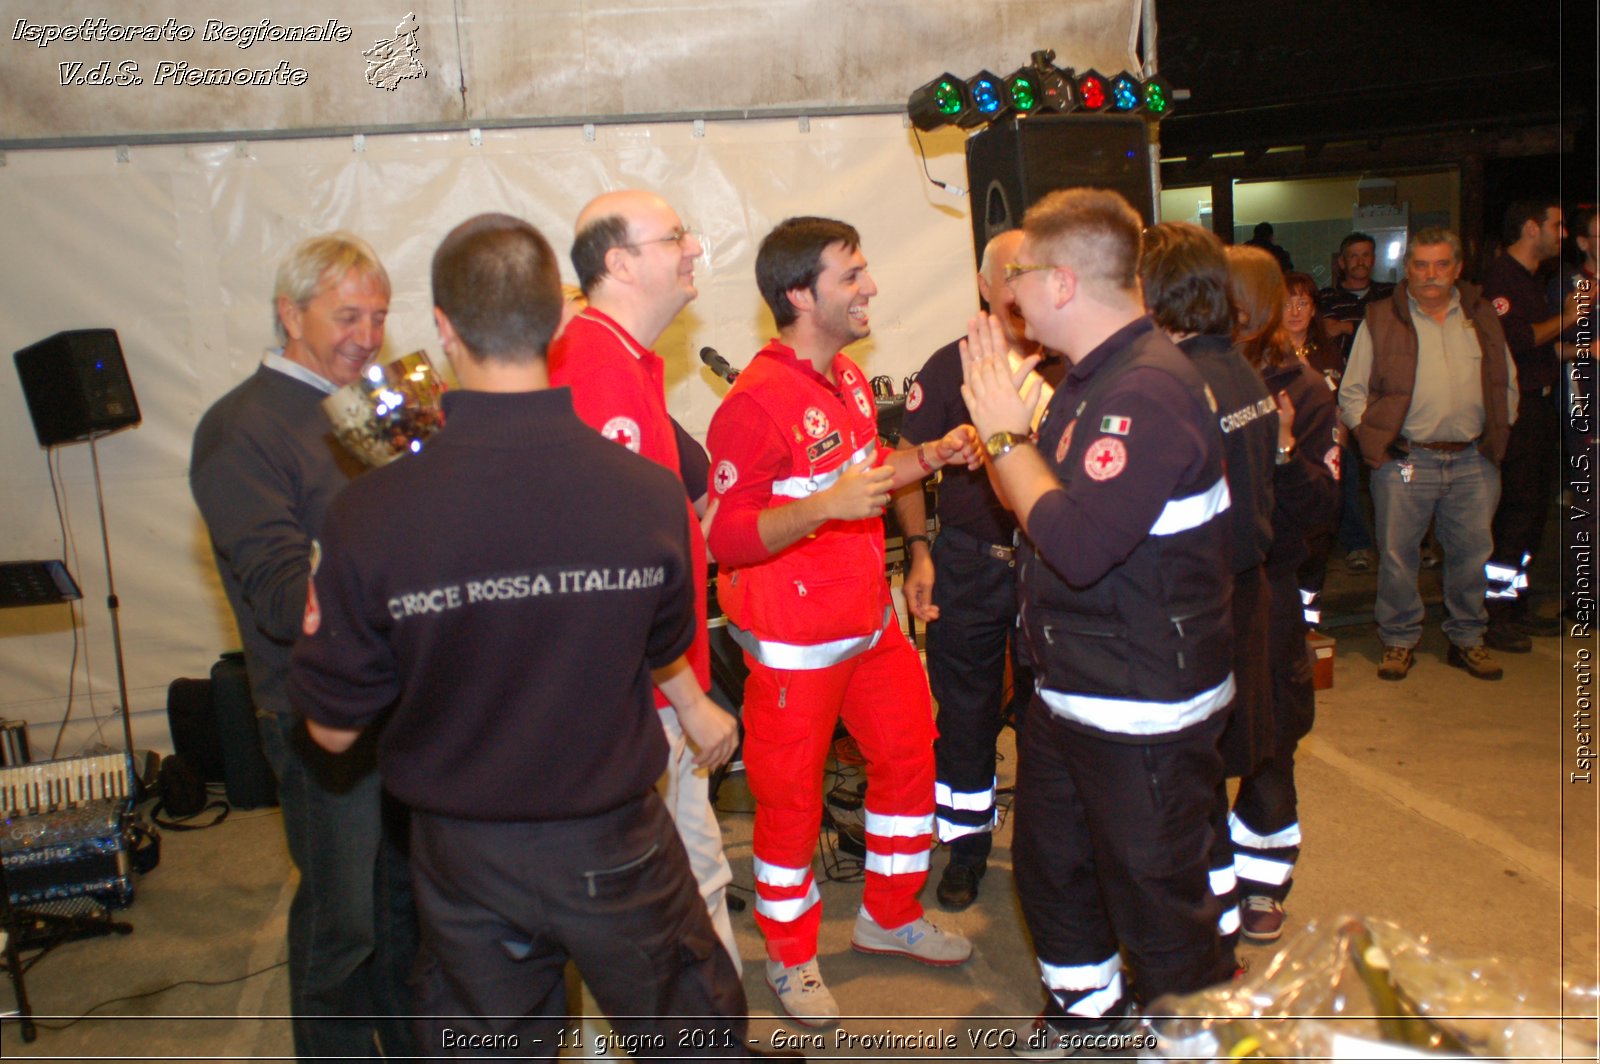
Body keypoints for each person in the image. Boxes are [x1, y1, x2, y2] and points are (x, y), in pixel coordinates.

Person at [289, 213, 756, 1056]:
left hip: (462, 858)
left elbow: (331, 728)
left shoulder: (367, 512)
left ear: (440, 329)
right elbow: (665, 643)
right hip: (613, 839)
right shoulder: (647, 494)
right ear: (559, 319)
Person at [959, 189, 1237, 1055]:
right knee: (1054, 873)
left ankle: (1186, 1040)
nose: (1009, 297)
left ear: (1065, 281)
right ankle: (1089, 1014)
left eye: (1020, 277)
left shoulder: (1145, 390)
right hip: (1074, 689)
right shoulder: (1089, 379)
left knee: (1157, 898)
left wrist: (1007, 440)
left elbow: (1076, 545)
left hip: (1140, 702)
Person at [704, 216, 979, 1027]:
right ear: (800, 294)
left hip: (869, 627)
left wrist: (928, 458)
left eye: (866, 271)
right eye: (851, 275)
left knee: (907, 756)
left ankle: (889, 917)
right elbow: (724, 536)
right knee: (789, 801)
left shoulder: (850, 380)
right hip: (793, 647)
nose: (871, 287)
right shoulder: (756, 401)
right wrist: (825, 507)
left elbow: (871, 477)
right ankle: (792, 960)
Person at [189, 232, 417, 1062]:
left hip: (399, 703)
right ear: (290, 314)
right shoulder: (240, 428)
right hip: (318, 716)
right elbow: (286, 597)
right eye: (346, 314)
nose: (367, 334)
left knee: (402, 910)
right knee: (341, 924)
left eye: (379, 316)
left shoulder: (366, 404)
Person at [548, 189, 740, 972]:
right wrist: (685, 697)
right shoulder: (594, 366)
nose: (693, 248)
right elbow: (610, 572)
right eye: (675, 238)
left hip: (650, 691)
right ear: (619, 264)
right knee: (656, 900)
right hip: (638, 701)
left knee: (693, 884)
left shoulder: (623, 361)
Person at [892, 229, 1066, 913]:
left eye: (1037, 271)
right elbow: (905, 465)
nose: (1025, 285)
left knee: (1048, 714)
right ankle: (965, 845)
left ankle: (1049, 850)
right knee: (962, 713)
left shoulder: (1070, 363)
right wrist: (919, 550)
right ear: (986, 286)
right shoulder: (949, 366)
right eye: (1013, 273)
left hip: (1052, 564)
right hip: (968, 563)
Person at [1138, 222, 1276, 956]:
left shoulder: (1180, 383)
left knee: (1184, 800)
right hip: (1243, 591)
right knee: (1208, 786)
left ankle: (1204, 956)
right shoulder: (1237, 367)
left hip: (1203, 609)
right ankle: (1215, 936)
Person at [1339, 227, 1520, 682]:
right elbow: (1352, 391)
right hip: (1405, 461)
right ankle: (1398, 641)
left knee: (1471, 554)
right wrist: (1372, 442)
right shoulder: (1380, 318)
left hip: (1473, 459)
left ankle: (1467, 638)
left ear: (1458, 269)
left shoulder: (1480, 316)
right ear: (1407, 269)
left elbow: (1507, 381)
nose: (1431, 275)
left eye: (1441, 265)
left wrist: (1501, 426)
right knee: (1398, 556)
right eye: (1421, 265)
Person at [1225, 246, 1342, 943]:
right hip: (1198, 591)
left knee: (1270, 741)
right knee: (1199, 744)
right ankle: (1205, 881)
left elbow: (1320, 509)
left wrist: (1283, 450)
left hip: (1269, 590)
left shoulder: (1303, 389)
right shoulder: (1183, 377)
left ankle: (1263, 881)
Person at [1483, 199, 1583, 648]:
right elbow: (1517, 340)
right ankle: (1497, 614)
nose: (1561, 234)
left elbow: (1538, 349)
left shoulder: (1529, 280)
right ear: (1530, 228)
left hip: (1539, 407)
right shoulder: (1501, 278)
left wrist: (1583, 348)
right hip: (1518, 411)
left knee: (1533, 513)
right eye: (1557, 225)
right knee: (1515, 513)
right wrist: (1569, 317)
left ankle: (1516, 606)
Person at [1318, 233, 1395, 573]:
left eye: (1366, 255)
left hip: (1385, 396)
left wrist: (1348, 326)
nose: (1360, 261)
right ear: (1342, 262)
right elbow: (1317, 335)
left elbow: (1395, 333)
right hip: (1339, 398)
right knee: (1346, 474)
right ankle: (1358, 544)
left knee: (1394, 474)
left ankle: (1408, 543)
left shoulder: (1392, 297)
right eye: (1353, 256)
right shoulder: (1325, 298)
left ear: (1374, 259)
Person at [1285, 270, 1352, 628]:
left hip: (1325, 468)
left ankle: (1309, 626)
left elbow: (1343, 406)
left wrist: (1340, 447)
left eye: (1303, 303)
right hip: (1284, 469)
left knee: (1317, 550)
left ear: (1314, 309)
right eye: (1286, 303)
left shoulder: (1326, 352)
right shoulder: (1262, 354)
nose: (1295, 311)